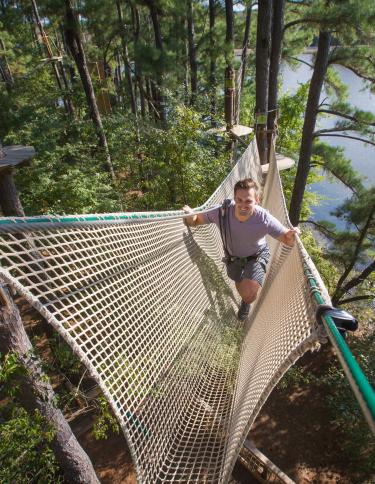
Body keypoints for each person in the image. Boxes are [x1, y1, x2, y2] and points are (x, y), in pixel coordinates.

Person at [183, 178, 300, 320]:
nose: (243, 205)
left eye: (248, 201)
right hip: (233, 258)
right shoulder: (222, 212)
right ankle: (244, 294)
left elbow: (286, 238)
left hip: (256, 255)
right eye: (239, 200)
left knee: (249, 294)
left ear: (257, 200)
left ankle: (246, 302)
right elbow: (195, 221)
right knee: (236, 279)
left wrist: (292, 235)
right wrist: (189, 215)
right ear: (234, 198)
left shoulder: (264, 218)